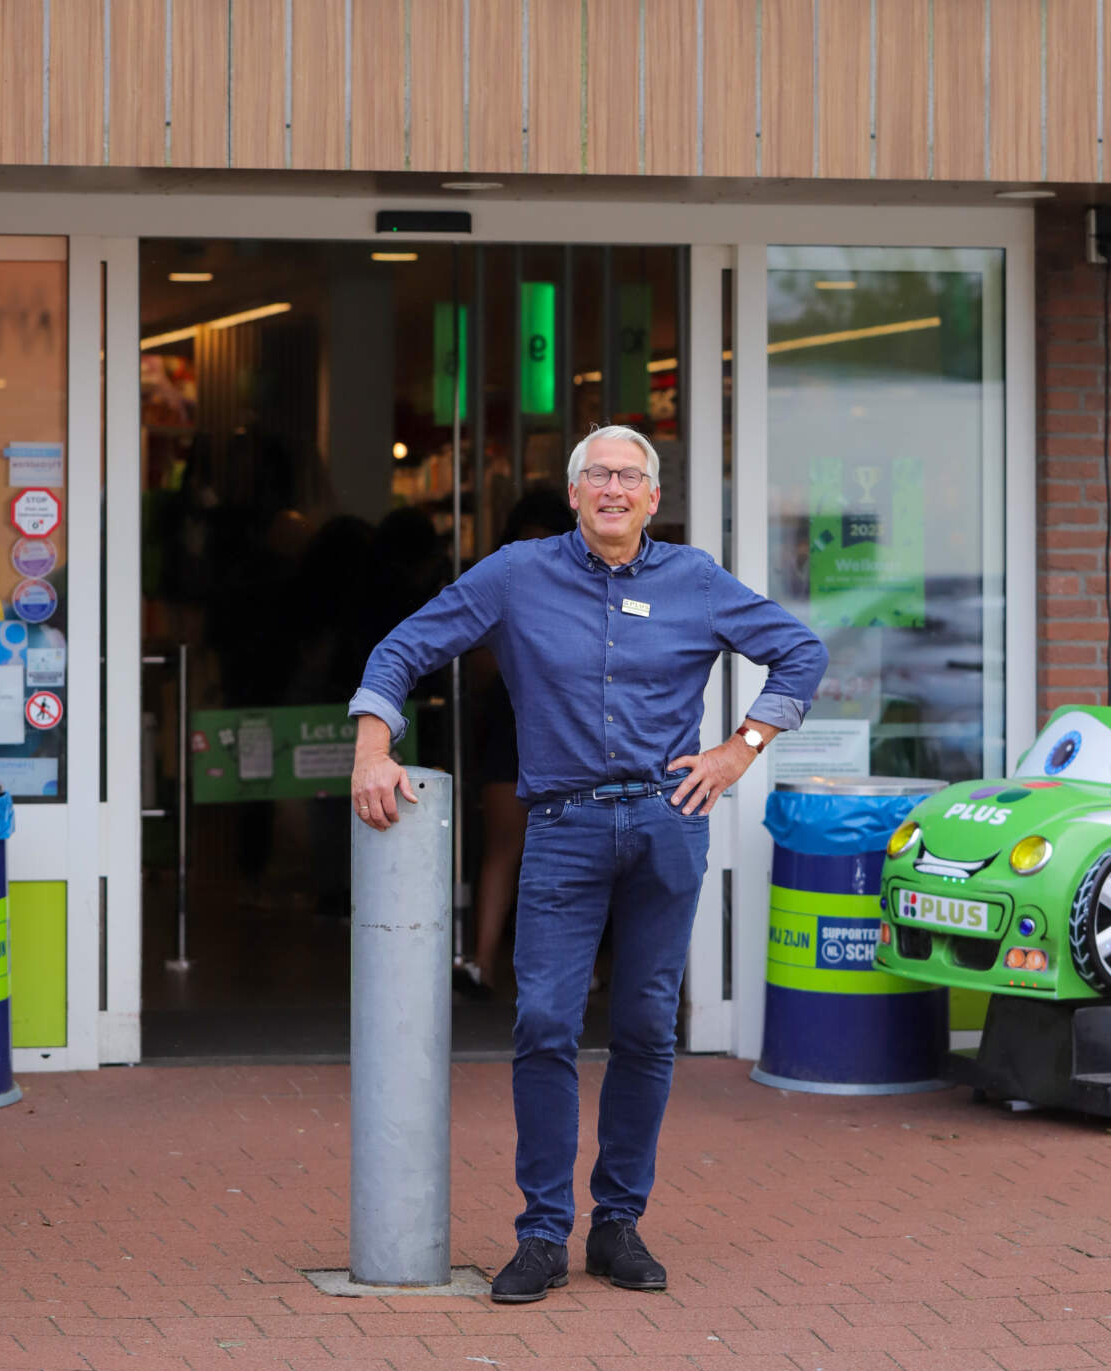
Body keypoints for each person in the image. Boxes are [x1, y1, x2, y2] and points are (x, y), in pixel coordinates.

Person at [349, 424, 827, 1304]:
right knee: (543, 1025)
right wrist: (373, 748)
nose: (613, 488)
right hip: (563, 827)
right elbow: (401, 649)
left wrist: (739, 749)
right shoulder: (515, 575)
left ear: (653, 499)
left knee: (646, 1028)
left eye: (630, 476)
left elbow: (801, 652)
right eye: (597, 474)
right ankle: (540, 1234)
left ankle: (618, 1225)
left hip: (667, 821)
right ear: (572, 495)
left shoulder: (695, 581)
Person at [456, 485, 575, 1000]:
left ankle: (571, 969)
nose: (537, 554)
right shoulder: (501, 585)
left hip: (574, 737)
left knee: (578, 855)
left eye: (547, 542)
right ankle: (482, 961)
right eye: (528, 543)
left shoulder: (587, 585)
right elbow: (474, 663)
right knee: (506, 849)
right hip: (514, 731)